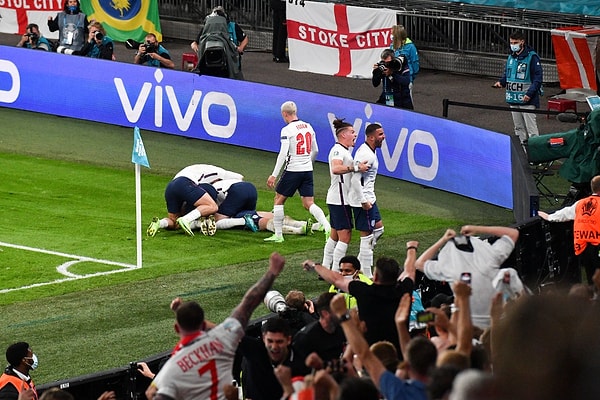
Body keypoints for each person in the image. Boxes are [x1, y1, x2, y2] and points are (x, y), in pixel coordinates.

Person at [145, 252, 286, 400]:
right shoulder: (222, 339)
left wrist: (155, 385)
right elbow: (248, 303)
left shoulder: (173, 366)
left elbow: (153, 394)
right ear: (203, 323)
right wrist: (272, 272)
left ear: (176, 328)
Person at [304, 251, 415, 356]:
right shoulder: (405, 291)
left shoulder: (365, 291)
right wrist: (412, 250)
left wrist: (315, 265)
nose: (343, 274)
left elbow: (336, 279)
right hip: (400, 351)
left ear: (375, 277)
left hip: (371, 351)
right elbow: (410, 271)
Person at [330, 294, 436, 400]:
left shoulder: (399, 391)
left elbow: (364, 355)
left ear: (406, 366)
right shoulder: (447, 383)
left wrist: (344, 316)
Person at [414, 225, 519, 328]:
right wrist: (477, 229)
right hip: (494, 319)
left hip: (468, 321)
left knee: (432, 308)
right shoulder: (489, 260)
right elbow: (513, 233)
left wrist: (443, 239)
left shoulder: (451, 270)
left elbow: (419, 264)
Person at [265, 101, 331, 243]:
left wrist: (274, 175)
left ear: (284, 114)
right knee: (308, 203)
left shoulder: (287, 130)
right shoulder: (308, 126)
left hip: (293, 169)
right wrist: (309, 163)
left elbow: (283, 154)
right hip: (307, 170)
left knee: (278, 200)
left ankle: (278, 235)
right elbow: (316, 150)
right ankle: (327, 226)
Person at [322, 118, 369, 270]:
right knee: (345, 235)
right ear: (343, 135)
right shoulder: (338, 150)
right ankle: (336, 270)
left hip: (337, 198)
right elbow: (336, 168)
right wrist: (355, 167)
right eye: (352, 132)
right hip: (340, 199)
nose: (355, 135)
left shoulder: (343, 150)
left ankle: (325, 266)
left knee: (335, 235)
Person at [538, 175, 600, 283]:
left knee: (591, 276)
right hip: (597, 246)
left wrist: (548, 217)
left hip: (583, 246)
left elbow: (564, 214)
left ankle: (593, 295)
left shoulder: (580, 204)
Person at [237, 317, 310, 400]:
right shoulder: (255, 349)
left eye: (279, 342)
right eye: (270, 341)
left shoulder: (301, 363)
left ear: (288, 340)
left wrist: (287, 386)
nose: (274, 347)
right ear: (264, 338)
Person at [493, 30, 543, 147]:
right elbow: (508, 74)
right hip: (513, 98)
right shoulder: (511, 57)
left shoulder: (532, 57)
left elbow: (538, 79)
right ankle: (523, 154)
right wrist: (501, 82)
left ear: (522, 41)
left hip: (527, 100)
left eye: (515, 42)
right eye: (511, 42)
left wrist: (529, 94)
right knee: (518, 128)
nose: (513, 45)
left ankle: (537, 155)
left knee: (531, 130)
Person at [349, 123, 386, 277]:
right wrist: (363, 201)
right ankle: (367, 274)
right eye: (380, 135)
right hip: (363, 201)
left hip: (370, 198)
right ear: (371, 137)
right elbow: (355, 180)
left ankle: (359, 263)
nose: (383, 137)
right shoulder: (367, 155)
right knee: (367, 237)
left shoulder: (369, 150)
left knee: (379, 229)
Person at [146, 165, 219, 237]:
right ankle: (187, 219)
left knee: (175, 222)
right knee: (212, 206)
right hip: (184, 183)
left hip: (170, 187)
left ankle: (159, 223)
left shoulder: (197, 170)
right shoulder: (219, 176)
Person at [292, 292, 347, 370]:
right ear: (325, 314)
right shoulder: (305, 338)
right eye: (339, 310)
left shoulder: (343, 329)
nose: (344, 312)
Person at [191, 6, 247, 78]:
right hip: (209, 66)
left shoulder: (233, 26)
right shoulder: (208, 27)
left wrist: (240, 48)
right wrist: (198, 48)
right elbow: (194, 43)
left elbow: (245, 39)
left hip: (230, 66)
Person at [390, 25, 419, 100]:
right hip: (394, 78)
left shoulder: (411, 47)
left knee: (406, 101)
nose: (391, 37)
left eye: (392, 35)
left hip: (407, 78)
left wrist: (411, 76)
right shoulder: (392, 46)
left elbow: (415, 63)